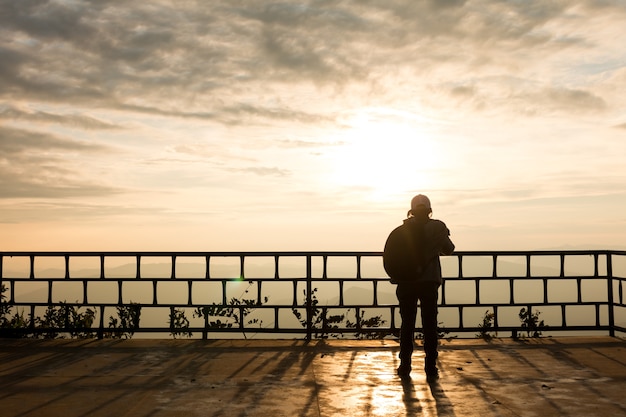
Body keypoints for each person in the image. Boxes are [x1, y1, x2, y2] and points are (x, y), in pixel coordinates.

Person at [395, 194, 455, 381]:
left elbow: (393, 255)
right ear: (429, 210)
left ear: (411, 211)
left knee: (407, 325)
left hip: (406, 282)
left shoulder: (402, 231)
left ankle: (405, 365)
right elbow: (449, 249)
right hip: (429, 282)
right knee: (429, 325)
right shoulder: (437, 228)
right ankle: (430, 367)